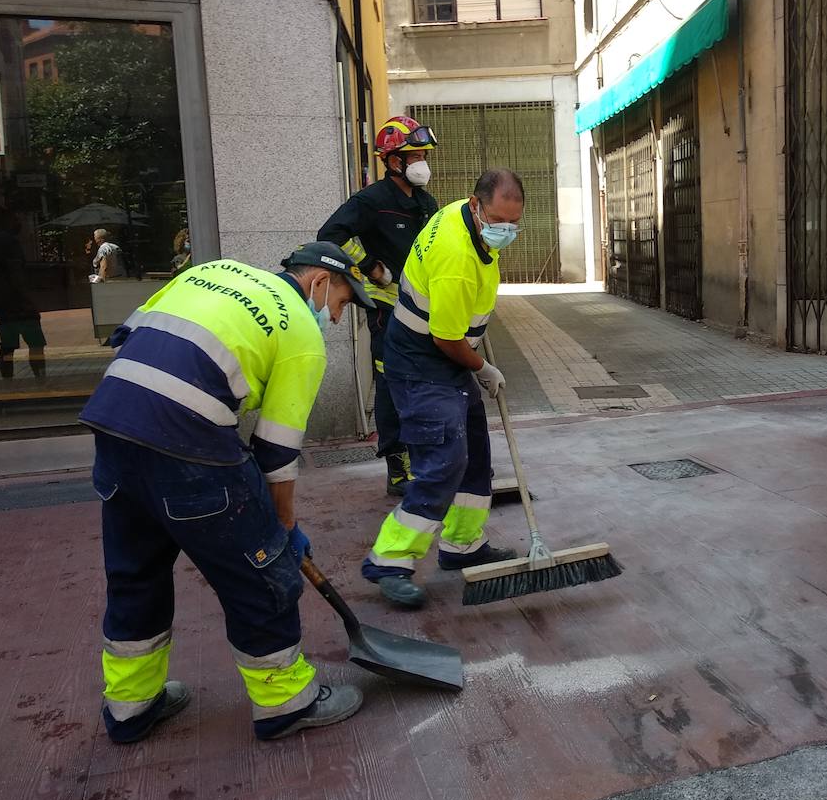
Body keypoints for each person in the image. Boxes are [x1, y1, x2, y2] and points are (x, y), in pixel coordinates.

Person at [77, 242, 374, 742]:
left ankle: (130, 707)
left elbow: (128, 333)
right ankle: (285, 701)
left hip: (113, 425)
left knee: (136, 573)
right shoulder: (302, 332)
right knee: (261, 576)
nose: (337, 317)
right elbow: (275, 453)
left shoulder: (212, 271)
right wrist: (282, 530)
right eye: (342, 303)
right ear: (319, 282)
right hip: (186, 446)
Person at [361, 169, 524, 608]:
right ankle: (390, 559)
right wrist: (484, 367)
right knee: (443, 461)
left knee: (474, 451)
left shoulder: (459, 216)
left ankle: (462, 546)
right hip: (423, 361)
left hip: (444, 357)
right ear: (476, 205)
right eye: (497, 221)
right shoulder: (456, 256)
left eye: (513, 224)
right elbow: (447, 339)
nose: (504, 231)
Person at [319, 116, 440, 497]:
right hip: (387, 313)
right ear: (392, 162)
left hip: (424, 310)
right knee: (390, 386)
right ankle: (398, 466)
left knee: (426, 382)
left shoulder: (426, 202)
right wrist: (369, 266)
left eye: (423, 153)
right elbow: (330, 236)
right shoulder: (371, 201)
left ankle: (429, 455)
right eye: (413, 154)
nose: (421, 160)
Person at [0, 206, 45, 379]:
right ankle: (40, 379)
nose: (18, 222)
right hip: (19, 305)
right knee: (35, 344)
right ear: (6, 221)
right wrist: (27, 300)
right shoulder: (10, 242)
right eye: (15, 219)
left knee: (7, 347)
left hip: (1, 305)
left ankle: (7, 382)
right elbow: (16, 273)